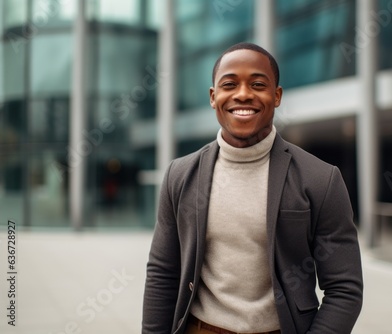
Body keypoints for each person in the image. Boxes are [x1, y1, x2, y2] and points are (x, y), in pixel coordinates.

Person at [142, 42, 363, 334]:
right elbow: (163, 273)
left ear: (277, 95)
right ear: (213, 96)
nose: (243, 94)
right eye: (229, 84)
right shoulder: (180, 175)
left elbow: (345, 289)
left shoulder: (320, 179)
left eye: (258, 84)